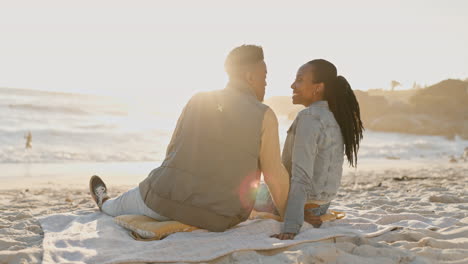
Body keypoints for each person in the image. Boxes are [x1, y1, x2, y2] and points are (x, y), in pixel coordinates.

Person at [89, 45, 290, 232]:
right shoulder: (265, 115)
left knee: (114, 206)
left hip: (161, 201)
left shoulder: (199, 99)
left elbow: (172, 151)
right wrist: (291, 217)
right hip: (219, 218)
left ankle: (104, 200)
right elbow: (274, 175)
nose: (266, 83)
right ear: (250, 76)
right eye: (265, 77)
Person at [271, 59, 364, 240]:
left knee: (245, 196)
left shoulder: (309, 117)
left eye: (299, 80)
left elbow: (301, 175)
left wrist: (291, 225)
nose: (292, 85)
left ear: (318, 87)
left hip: (306, 205)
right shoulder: (333, 118)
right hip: (322, 205)